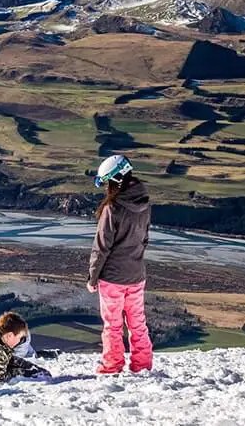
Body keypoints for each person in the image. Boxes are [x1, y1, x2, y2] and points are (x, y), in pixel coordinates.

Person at [88, 154, 154, 374]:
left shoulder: (112, 209)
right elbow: (144, 239)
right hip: (136, 274)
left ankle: (112, 365)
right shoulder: (144, 204)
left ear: (114, 180)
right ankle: (142, 365)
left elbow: (101, 247)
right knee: (138, 323)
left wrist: (93, 277)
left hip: (112, 277)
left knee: (113, 325)